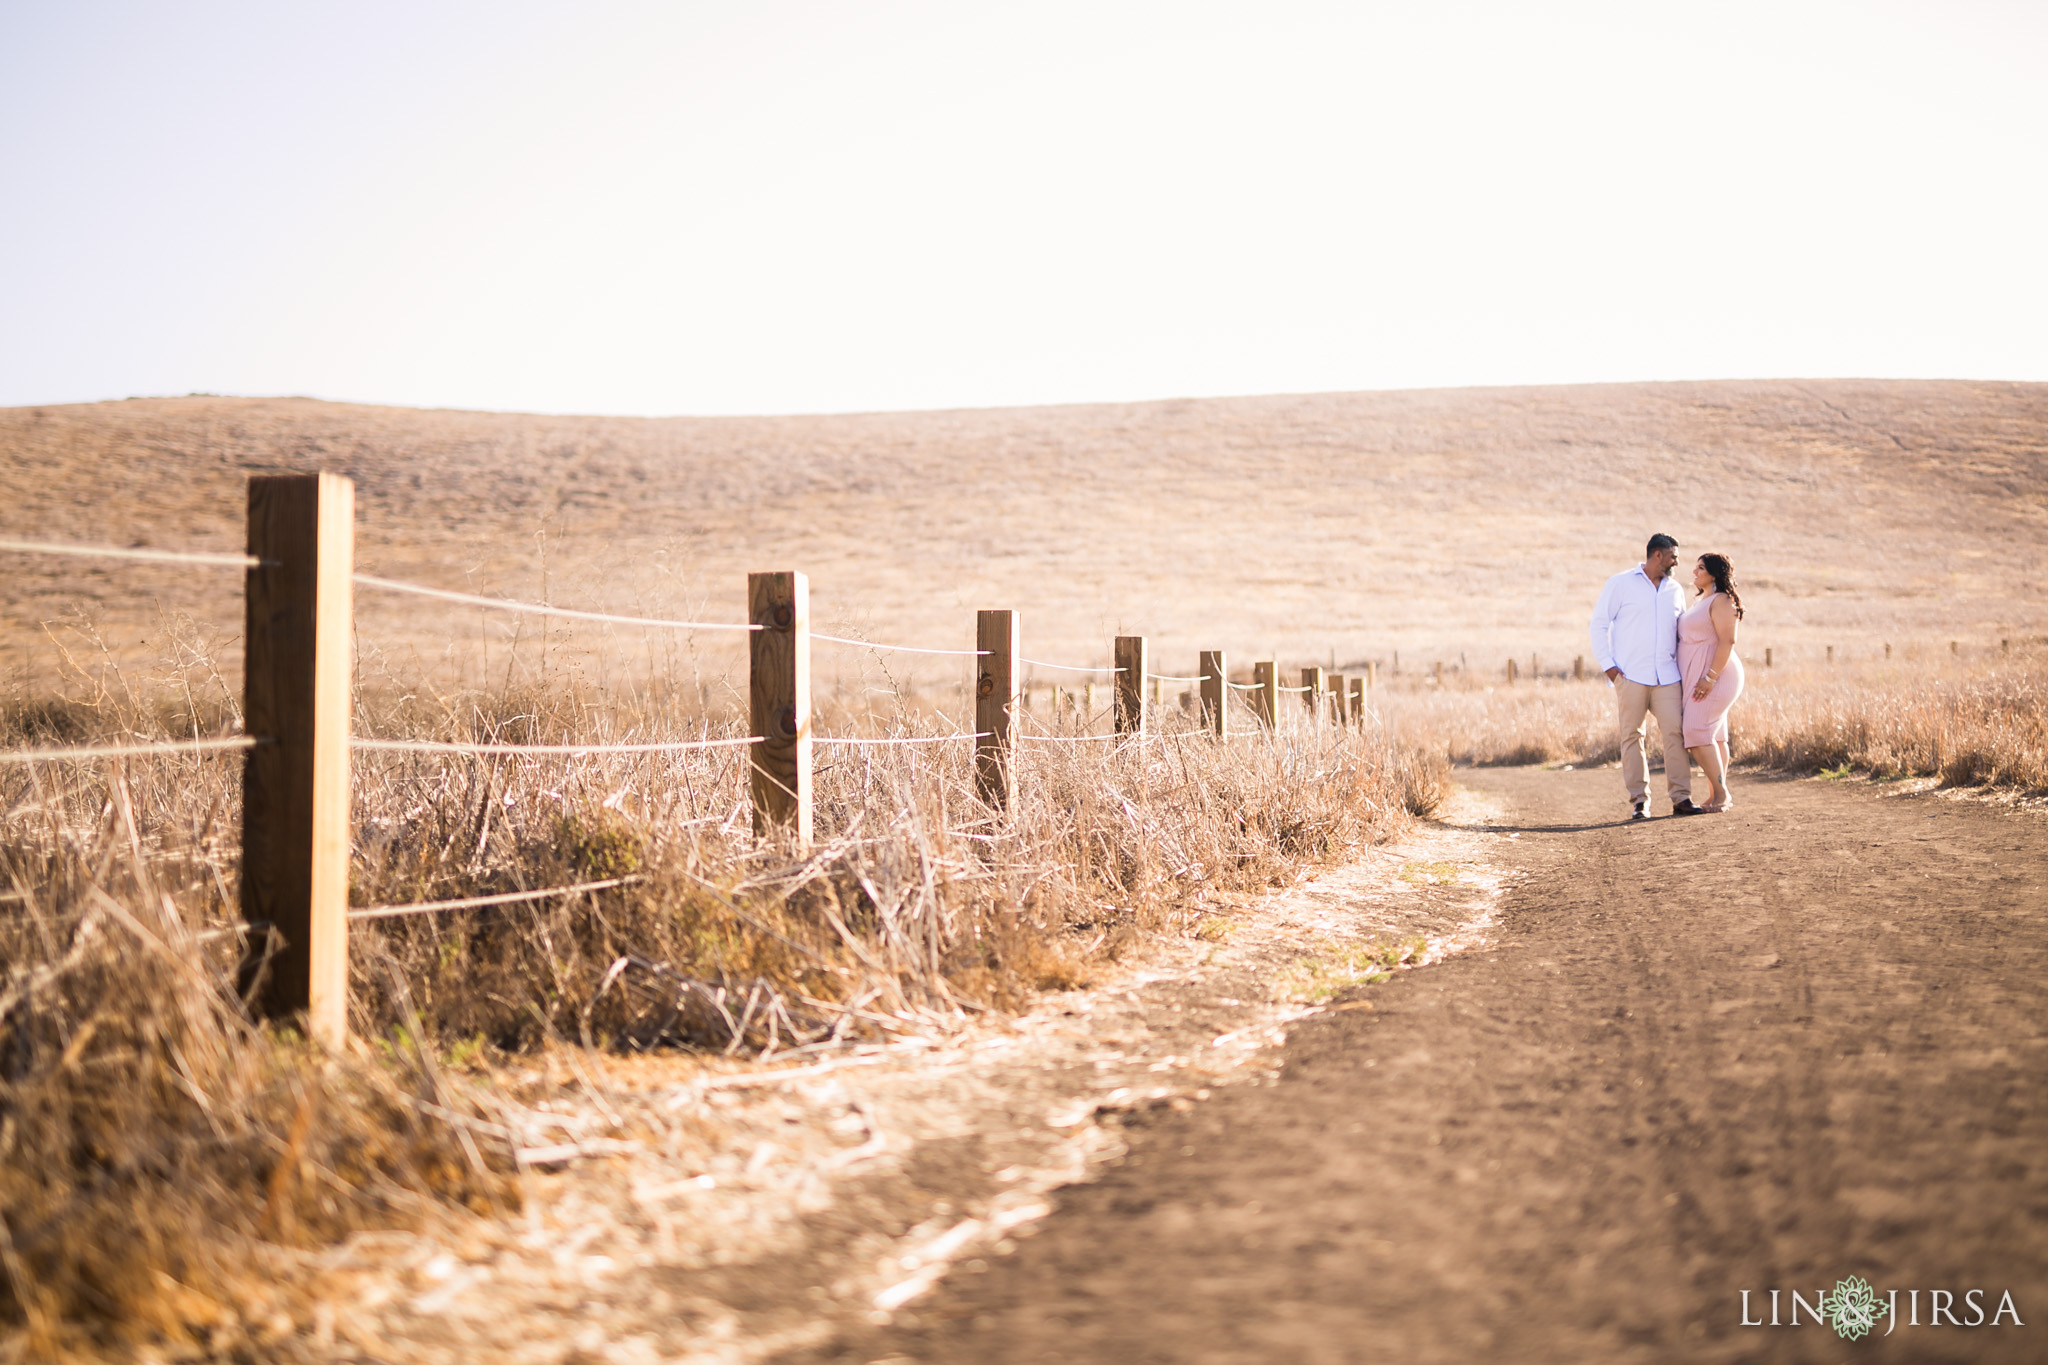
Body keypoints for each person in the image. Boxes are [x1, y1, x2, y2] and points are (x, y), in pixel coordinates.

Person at [1589, 533, 1701, 820]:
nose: (1677, 561)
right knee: (1631, 736)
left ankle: (1682, 798)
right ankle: (1640, 802)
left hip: (1667, 677)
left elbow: (1682, 633)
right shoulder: (1620, 584)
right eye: (1673, 555)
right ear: (1658, 555)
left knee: (1675, 734)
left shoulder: (1675, 589)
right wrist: (1610, 668)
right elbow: (1599, 624)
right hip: (1631, 676)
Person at [1679, 553, 1745, 812]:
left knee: (1695, 732)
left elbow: (1727, 641)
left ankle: (1722, 793)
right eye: (1695, 567)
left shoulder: (1722, 600)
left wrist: (1709, 677)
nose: (1694, 572)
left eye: (1701, 568)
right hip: (1702, 675)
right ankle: (1714, 796)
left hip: (1717, 676)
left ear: (1715, 573)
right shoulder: (1702, 600)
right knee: (1715, 737)